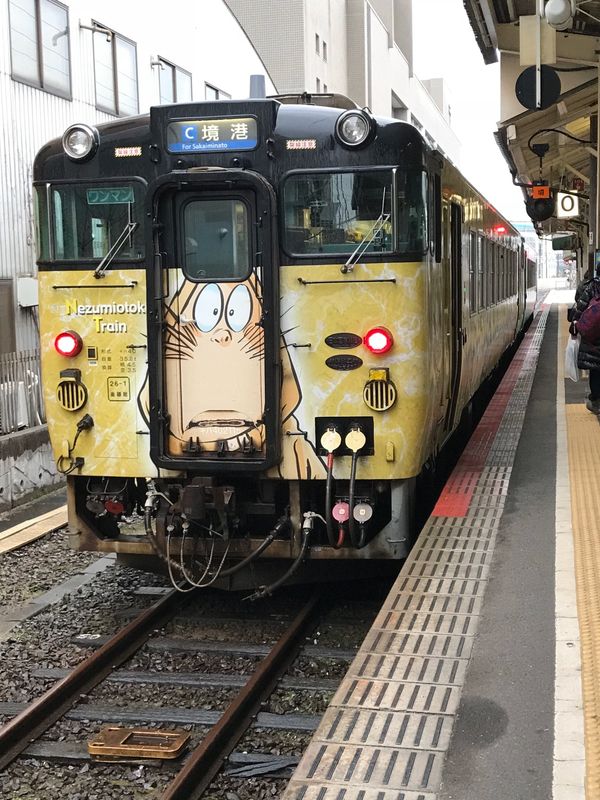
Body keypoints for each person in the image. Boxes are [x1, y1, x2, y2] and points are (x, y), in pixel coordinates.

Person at [571, 266, 600, 413]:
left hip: (593, 336)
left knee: (595, 368)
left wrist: (574, 324)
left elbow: (580, 307)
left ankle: (596, 401)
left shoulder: (592, 287)